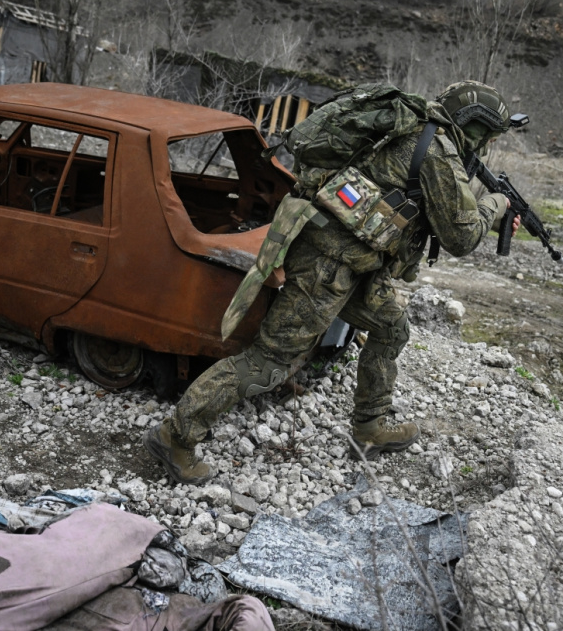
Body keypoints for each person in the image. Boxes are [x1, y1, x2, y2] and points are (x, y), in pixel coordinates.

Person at [145, 80, 521, 485]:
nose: (485, 147)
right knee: (270, 361)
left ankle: (369, 429)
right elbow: (461, 236)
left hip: (357, 261)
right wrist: (495, 205)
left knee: (391, 328)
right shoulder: (435, 150)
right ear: (473, 125)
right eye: (488, 136)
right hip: (327, 263)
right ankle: (176, 436)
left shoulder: (420, 129)